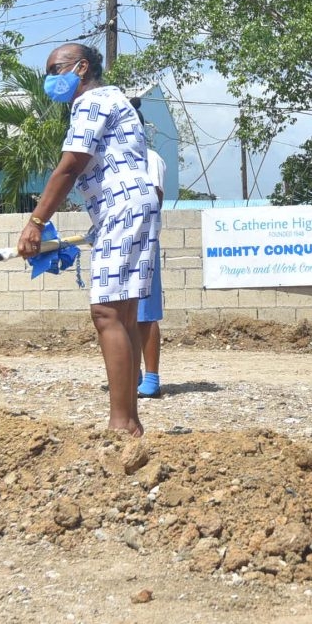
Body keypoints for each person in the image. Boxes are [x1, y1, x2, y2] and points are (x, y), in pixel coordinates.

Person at [18, 44, 159, 436]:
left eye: (55, 69)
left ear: (81, 68)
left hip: (122, 208)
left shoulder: (92, 101)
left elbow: (70, 165)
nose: (49, 79)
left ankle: (120, 423)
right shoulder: (114, 99)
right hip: (129, 206)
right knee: (124, 315)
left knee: (107, 314)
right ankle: (130, 422)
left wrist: (35, 221)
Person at [131, 96, 167, 400]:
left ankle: (152, 376)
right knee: (124, 314)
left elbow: (153, 199)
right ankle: (133, 374)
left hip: (144, 244)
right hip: (121, 244)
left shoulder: (149, 158)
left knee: (145, 314)